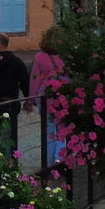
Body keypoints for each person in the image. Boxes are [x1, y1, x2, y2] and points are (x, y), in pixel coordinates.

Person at [29, 26, 65, 165]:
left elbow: (34, 80)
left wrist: (31, 99)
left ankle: (49, 163)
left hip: (45, 98)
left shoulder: (39, 57)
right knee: (63, 128)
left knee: (49, 130)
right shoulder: (66, 56)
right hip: (63, 97)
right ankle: (60, 158)